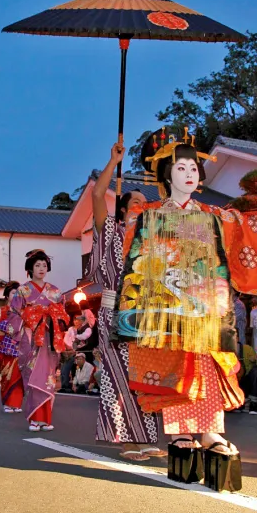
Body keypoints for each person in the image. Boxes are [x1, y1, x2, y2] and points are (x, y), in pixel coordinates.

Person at [112, 132, 257, 468]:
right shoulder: (150, 214)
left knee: (208, 367)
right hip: (168, 307)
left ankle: (211, 430)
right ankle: (181, 433)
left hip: (205, 307)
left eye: (194, 168)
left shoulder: (213, 214)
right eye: (181, 167)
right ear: (166, 174)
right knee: (175, 368)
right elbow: (135, 258)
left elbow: (247, 224)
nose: (189, 173)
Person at [89, 140, 164, 461]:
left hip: (143, 314)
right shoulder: (109, 231)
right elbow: (95, 195)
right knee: (118, 374)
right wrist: (112, 162)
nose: (141, 206)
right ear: (122, 209)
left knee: (142, 375)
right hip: (114, 309)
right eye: (135, 202)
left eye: (145, 203)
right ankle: (125, 439)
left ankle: (145, 436)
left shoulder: (151, 241)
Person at [6, 250, 70, 432]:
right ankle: (35, 419)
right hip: (31, 337)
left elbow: (63, 315)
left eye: (44, 265)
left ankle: (46, 419)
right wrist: (27, 324)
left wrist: (55, 319)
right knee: (34, 376)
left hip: (49, 337)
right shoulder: (23, 290)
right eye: (37, 265)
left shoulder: (56, 292)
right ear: (30, 268)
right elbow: (13, 314)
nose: (41, 269)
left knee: (48, 378)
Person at [0, 283, 24, 414]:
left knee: (20, 377)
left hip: (22, 348)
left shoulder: (23, 310)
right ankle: (7, 402)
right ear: (7, 295)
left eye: (18, 293)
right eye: (13, 293)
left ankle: (16, 403)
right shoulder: (1, 311)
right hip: (6, 348)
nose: (16, 296)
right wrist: (9, 330)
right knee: (7, 376)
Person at [237, 333, 257, 414]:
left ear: (237, 338)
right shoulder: (225, 350)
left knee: (256, 371)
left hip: (246, 378)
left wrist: (254, 359)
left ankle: (253, 403)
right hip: (233, 380)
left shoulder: (247, 348)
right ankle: (237, 401)